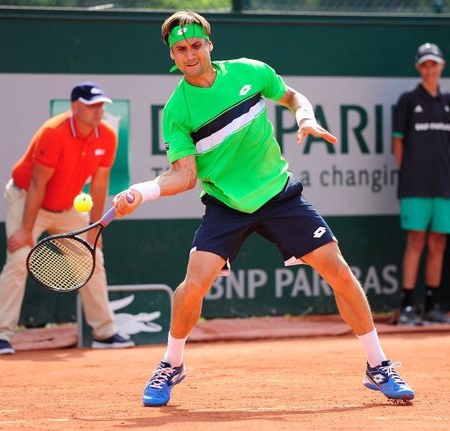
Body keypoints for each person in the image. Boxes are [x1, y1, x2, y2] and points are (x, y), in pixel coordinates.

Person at [112, 11, 414, 407]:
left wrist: (304, 116)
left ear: (209, 44)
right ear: (171, 54)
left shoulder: (251, 72)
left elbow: (290, 96)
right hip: (226, 203)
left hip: (278, 193)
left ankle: (378, 366)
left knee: (339, 271)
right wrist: (143, 190)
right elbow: (184, 175)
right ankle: (171, 364)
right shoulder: (178, 111)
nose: (190, 54)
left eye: (196, 45)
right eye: (181, 49)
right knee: (193, 285)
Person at [0, 82, 134, 354]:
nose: (98, 110)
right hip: (28, 200)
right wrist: (25, 231)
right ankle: (0, 335)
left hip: (67, 206)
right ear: (75, 107)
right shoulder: (53, 133)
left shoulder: (108, 136)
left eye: (101, 105)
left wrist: (94, 231)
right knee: (19, 260)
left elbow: (100, 185)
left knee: (92, 259)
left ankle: (104, 332)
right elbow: (36, 186)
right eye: (92, 105)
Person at [392, 43, 450, 326]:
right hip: (415, 185)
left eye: (434, 63)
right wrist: (406, 175)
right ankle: (408, 307)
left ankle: (431, 306)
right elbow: (398, 142)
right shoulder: (408, 101)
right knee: (416, 240)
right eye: (425, 64)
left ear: (441, 66)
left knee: (439, 243)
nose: (430, 68)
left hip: (444, 186)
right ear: (419, 68)